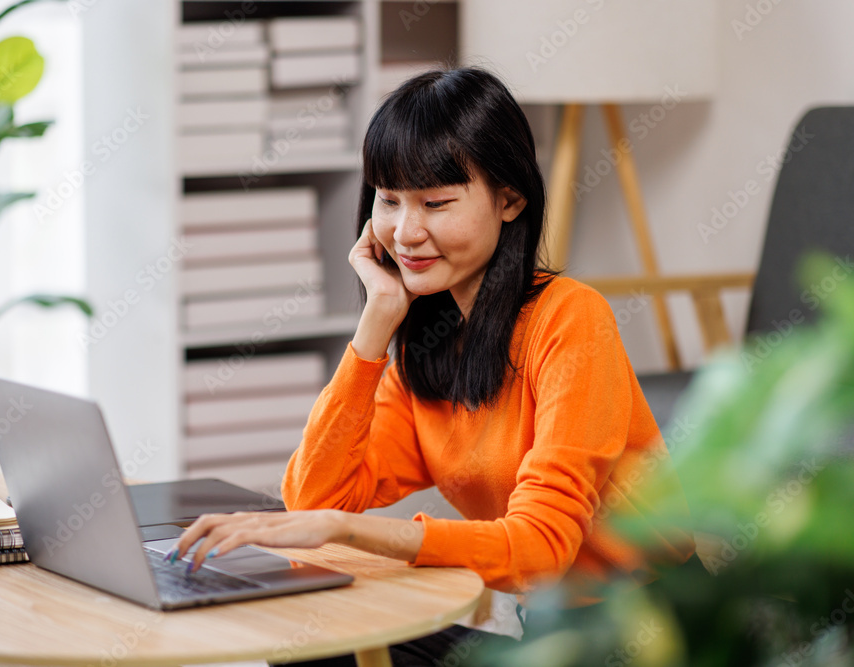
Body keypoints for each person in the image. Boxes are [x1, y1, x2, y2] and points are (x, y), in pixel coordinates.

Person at [167, 67, 699, 665]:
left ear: (509, 200)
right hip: (542, 628)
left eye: (436, 203)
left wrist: (350, 533)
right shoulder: (429, 342)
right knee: (313, 642)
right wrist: (376, 324)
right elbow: (319, 495)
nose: (405, 232)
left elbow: (542, 546)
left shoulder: (571, 319)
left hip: (648, 633)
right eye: (388, 200)